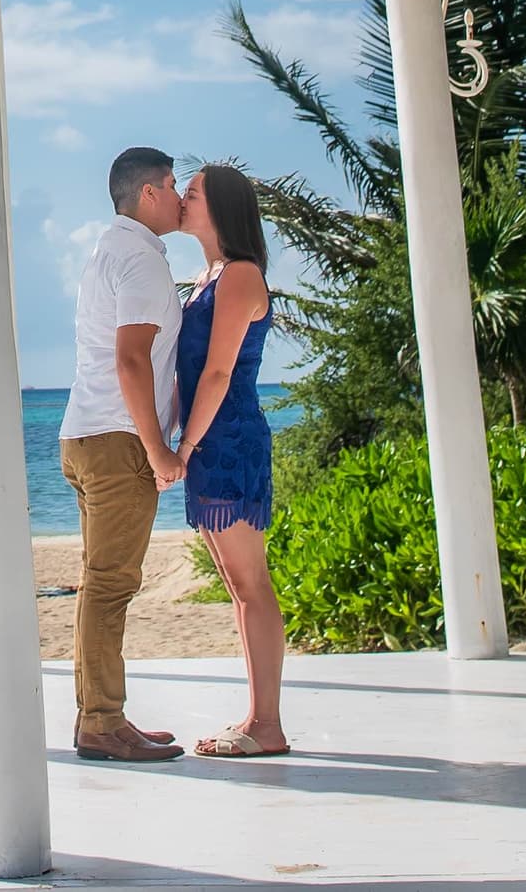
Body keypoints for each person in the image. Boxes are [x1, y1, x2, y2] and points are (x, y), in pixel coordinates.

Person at [60, 145, 188, 763]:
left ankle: (98, 716)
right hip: (117, 441)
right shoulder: (138, 260)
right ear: (148, 194)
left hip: (86, 433)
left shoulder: (106, 252)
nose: (181, 195)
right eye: (173, 184)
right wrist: (159, 449)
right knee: (110, 587)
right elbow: (132, 359)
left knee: (99, 584)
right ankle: (103, 724)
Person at [173, 160, 288, 758]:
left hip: (229, 438)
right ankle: (258, 718)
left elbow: (218, 373)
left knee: (251, 585)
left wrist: (184, 447)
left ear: (218, 206)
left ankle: (266, 724)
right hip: (210, 438)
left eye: (190, 194)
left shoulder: (240, 275)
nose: (181, 201)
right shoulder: (205, 276)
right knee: (240, 587)